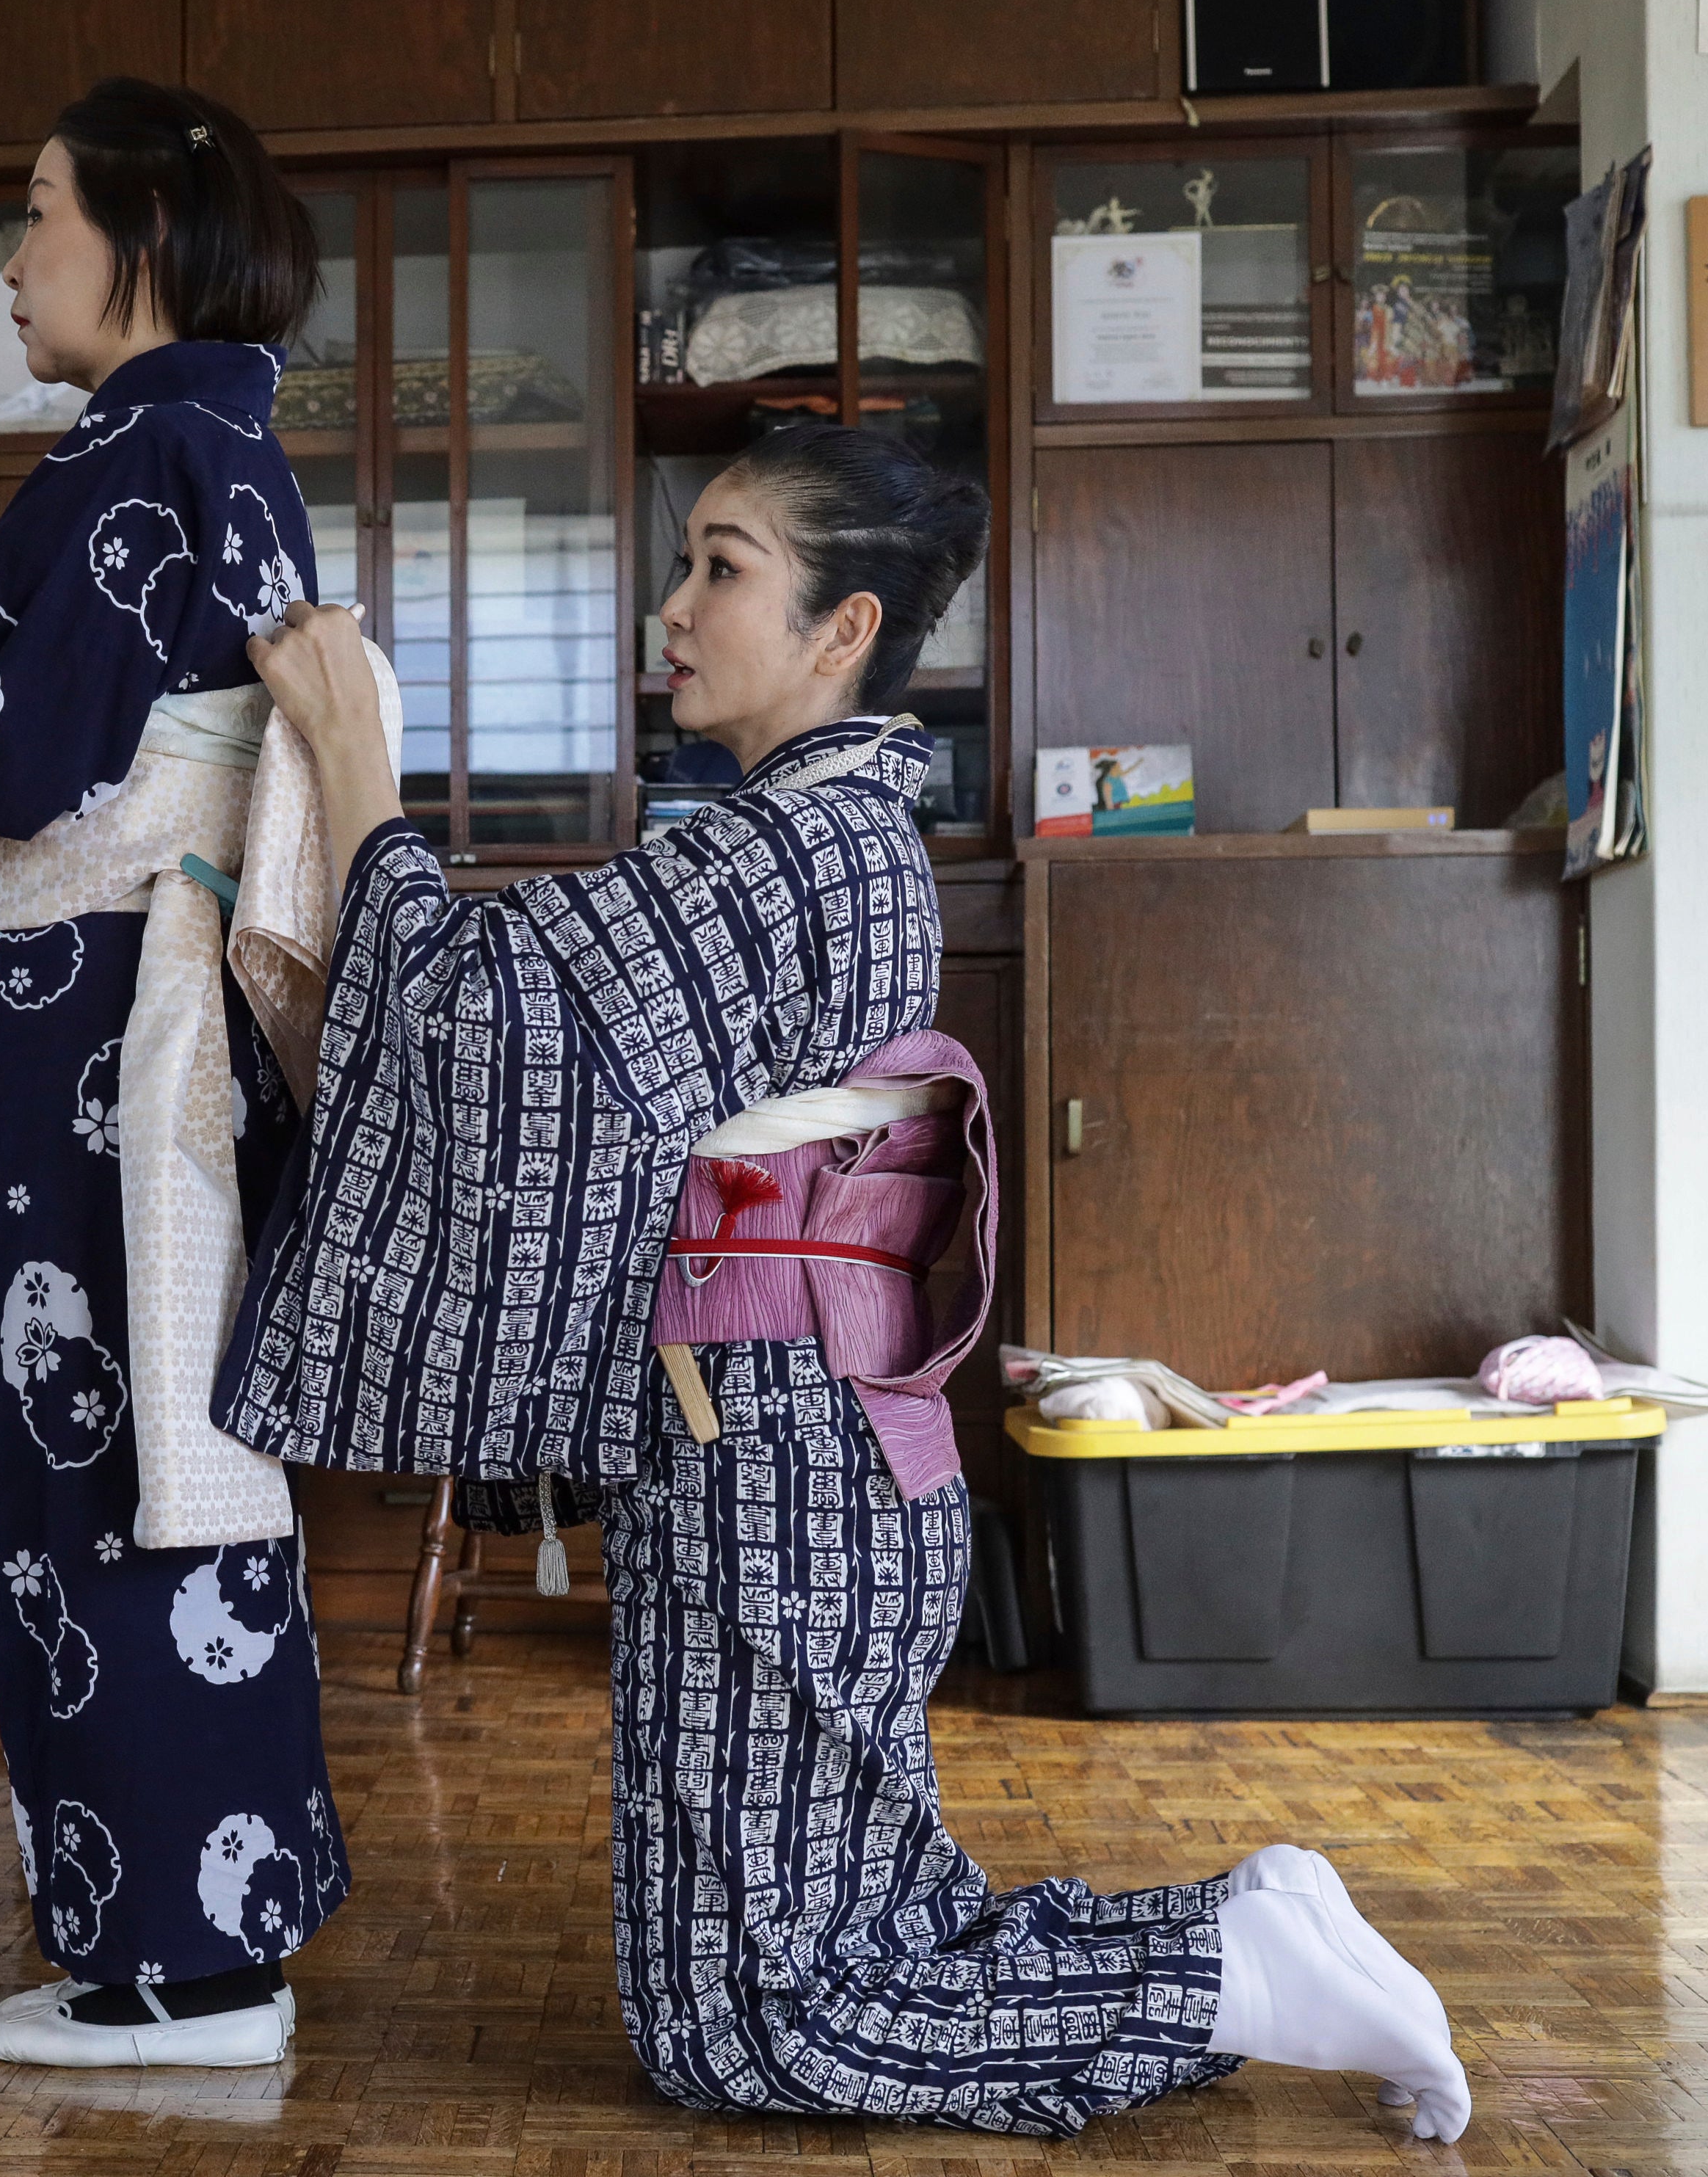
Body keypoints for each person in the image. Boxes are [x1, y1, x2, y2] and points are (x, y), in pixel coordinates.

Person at [226, 425, 1474, 2140]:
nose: (672, 608)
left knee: (767, 2016)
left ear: (841, 632)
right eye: (685, 564)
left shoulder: (796, 849)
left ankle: (1233, 1977)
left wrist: (351, 749)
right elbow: (533, 1033)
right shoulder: (807, 837)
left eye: (718, 567)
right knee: (793, 1967)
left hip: (782, 1475)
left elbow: (466, 1019)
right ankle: (1240, 1929)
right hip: (791, 1454)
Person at [0, 77, 345, 2068]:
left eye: (33, 211)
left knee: (102, 1480)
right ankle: (213, 1941)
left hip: (111, 1045)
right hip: (147, 1039)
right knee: (172, 1471)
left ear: (142, 237)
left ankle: (178, 1970)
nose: (6, 256)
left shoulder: (134, 469)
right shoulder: (200, 451)